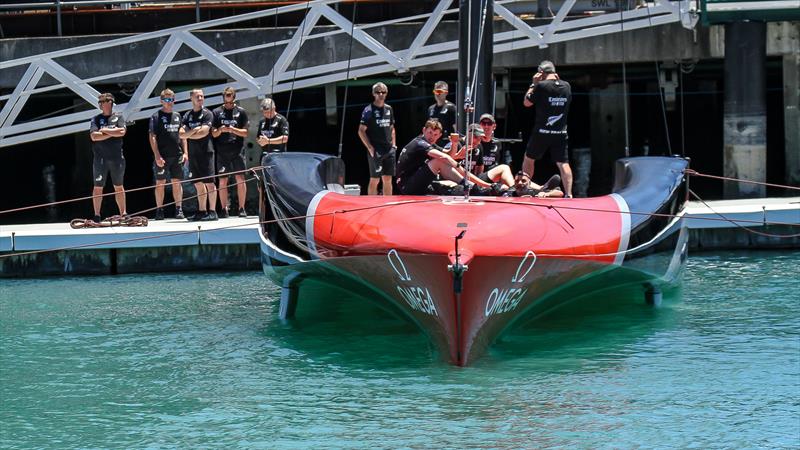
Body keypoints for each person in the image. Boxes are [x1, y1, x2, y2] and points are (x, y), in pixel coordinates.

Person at [396, 119, 493, 195]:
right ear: (423, 130)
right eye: (429, 133)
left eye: (435, 134)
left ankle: (477, 188)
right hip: (407, 185)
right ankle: (474, 187)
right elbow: (445, 158)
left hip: (414, 182)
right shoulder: (420, 143)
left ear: (440, 135)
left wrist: (454, 144)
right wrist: (458, 165)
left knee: (450, 188)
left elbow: (448, 155)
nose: (432, 137)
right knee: (439, 161)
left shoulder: (429, 144)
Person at [522, 60, 574, 198]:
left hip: (542, 131)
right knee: (563, 163)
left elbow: (527, 102)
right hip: (560, 132)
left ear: (541, 73)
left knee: (529, 158)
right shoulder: (567, 86)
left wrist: (534, 83)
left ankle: (524, 187)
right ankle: (569, 194)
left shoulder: (541, 86)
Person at [180, 89, 218, 221]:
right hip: (193, 154)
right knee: (198, 184)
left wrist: (190, 133)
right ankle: (202, 211)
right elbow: (181, 134)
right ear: (191, 98)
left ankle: (212, 211)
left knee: (210, 183)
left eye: (202, 96)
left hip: (206, 153)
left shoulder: (208, 114)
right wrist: (195, 130)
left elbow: (204, 132)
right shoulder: (187, 116)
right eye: (197, 96)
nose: (200, 98)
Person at [212, 87, 250, 218]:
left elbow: (245, 133)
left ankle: (241, 208)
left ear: (234, 96)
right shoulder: (216, 112)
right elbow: (213, 134)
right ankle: (224, 208)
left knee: (240, 178)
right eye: (225, 95)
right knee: (222, 180)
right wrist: (221, 130)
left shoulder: (241, 112)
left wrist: (233, 130)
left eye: (229, 95)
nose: (227, 97)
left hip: (237, 149)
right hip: (222, 150)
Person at [88, 92, 127, 222]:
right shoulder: (95, 119)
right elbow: (94, 136)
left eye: (105, 101)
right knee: (98, 187)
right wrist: (112, 132)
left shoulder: (119, 117)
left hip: (116, 158)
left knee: (118, 186)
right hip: (100, 159)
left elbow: (122, 132)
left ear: (110, 103)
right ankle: (97, 214)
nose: (103, 104)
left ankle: (123, 213)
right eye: (101, 102)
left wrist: (104, 130)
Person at [148, 88, 184, 220]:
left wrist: (185, 153)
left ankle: (178, 209)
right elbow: (152, 137)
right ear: (162, 101)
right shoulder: (156, 116)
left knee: (177, 182)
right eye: (167, 100)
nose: (170, 102)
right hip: (162, 156)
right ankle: (159, 210)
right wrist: (157, 155)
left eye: (172, 99)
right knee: (160, 182)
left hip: (177, 155)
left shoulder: (177, 116)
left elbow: (182, 135)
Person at [357, 82, 396, 195]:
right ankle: (372, 203)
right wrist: (369, 147)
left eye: (383, 92)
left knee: (388, 179)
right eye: (378, 92)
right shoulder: (368, 110)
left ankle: (388, 202)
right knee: (375, 179)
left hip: (389, 148)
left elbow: (392, 128)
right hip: (376, 149)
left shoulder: (389, 109)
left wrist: (394, 144)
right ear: (374, 94)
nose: (381, 94)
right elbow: (361, 130)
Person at [474, 113, 517, 188]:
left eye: (489, 123)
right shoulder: (475, 142)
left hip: (494, 177)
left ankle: (540, 189)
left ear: (494, 126)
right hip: (478, 177)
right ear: (479, 126)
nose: (486, 126)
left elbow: (506, 161)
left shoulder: (498, 143)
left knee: (522, 178)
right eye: (483, 123)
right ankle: (514, 189)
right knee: (504, 168)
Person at [427, 81, 457, 146]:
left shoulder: (451, 107)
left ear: (446, 93)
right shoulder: (431, 109)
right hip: (434, 143)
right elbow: (428, 128)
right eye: (436, 92)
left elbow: (456, 127)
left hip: (447, 143)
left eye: (440, 92)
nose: (437, 94)